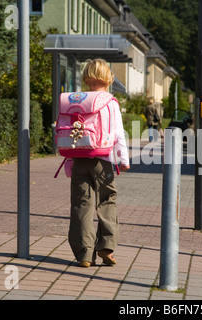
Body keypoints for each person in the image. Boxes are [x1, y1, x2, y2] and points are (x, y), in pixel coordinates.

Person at [69, 59, 130, 268]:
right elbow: (118, 134)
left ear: (86, 77)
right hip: (103, 160)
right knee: (107, 200)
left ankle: (84, 254)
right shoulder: (111, 103)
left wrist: (70, 160)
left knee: (81, 204)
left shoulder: (76, 100)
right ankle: (106, 246)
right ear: (108, 78)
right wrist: (123, 159)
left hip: (79, 159)